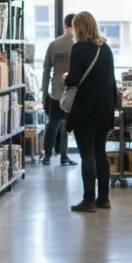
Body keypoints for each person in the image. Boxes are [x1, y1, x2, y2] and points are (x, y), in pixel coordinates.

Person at [63, 12, 117, 213]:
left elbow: (74, 79)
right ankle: (104, 198)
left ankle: (88, 200)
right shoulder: (107, 49)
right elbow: (111, 81)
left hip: (84, 109)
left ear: (78, 28)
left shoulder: (79, 48)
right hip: (104, 108)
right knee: (101, 152)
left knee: (87, 153)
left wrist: (65, 77)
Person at [40, 14, 77, 166]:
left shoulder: (54, 44)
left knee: (53, 124)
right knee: (66, 126)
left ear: (64, 24)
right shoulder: (79, 44)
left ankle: (47, 156)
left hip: (56, 91)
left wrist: (44, 92)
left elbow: (46, 69)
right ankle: (64, 156)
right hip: (74, 91)